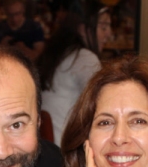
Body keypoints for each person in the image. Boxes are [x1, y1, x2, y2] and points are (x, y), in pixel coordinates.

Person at [39, 3, 112, 145]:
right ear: (83, 29)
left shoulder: (58, 54)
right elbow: (105, 102)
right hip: (66, 152)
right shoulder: (84, 58)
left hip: (48, 148)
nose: (109, 33)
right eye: (103, 27)